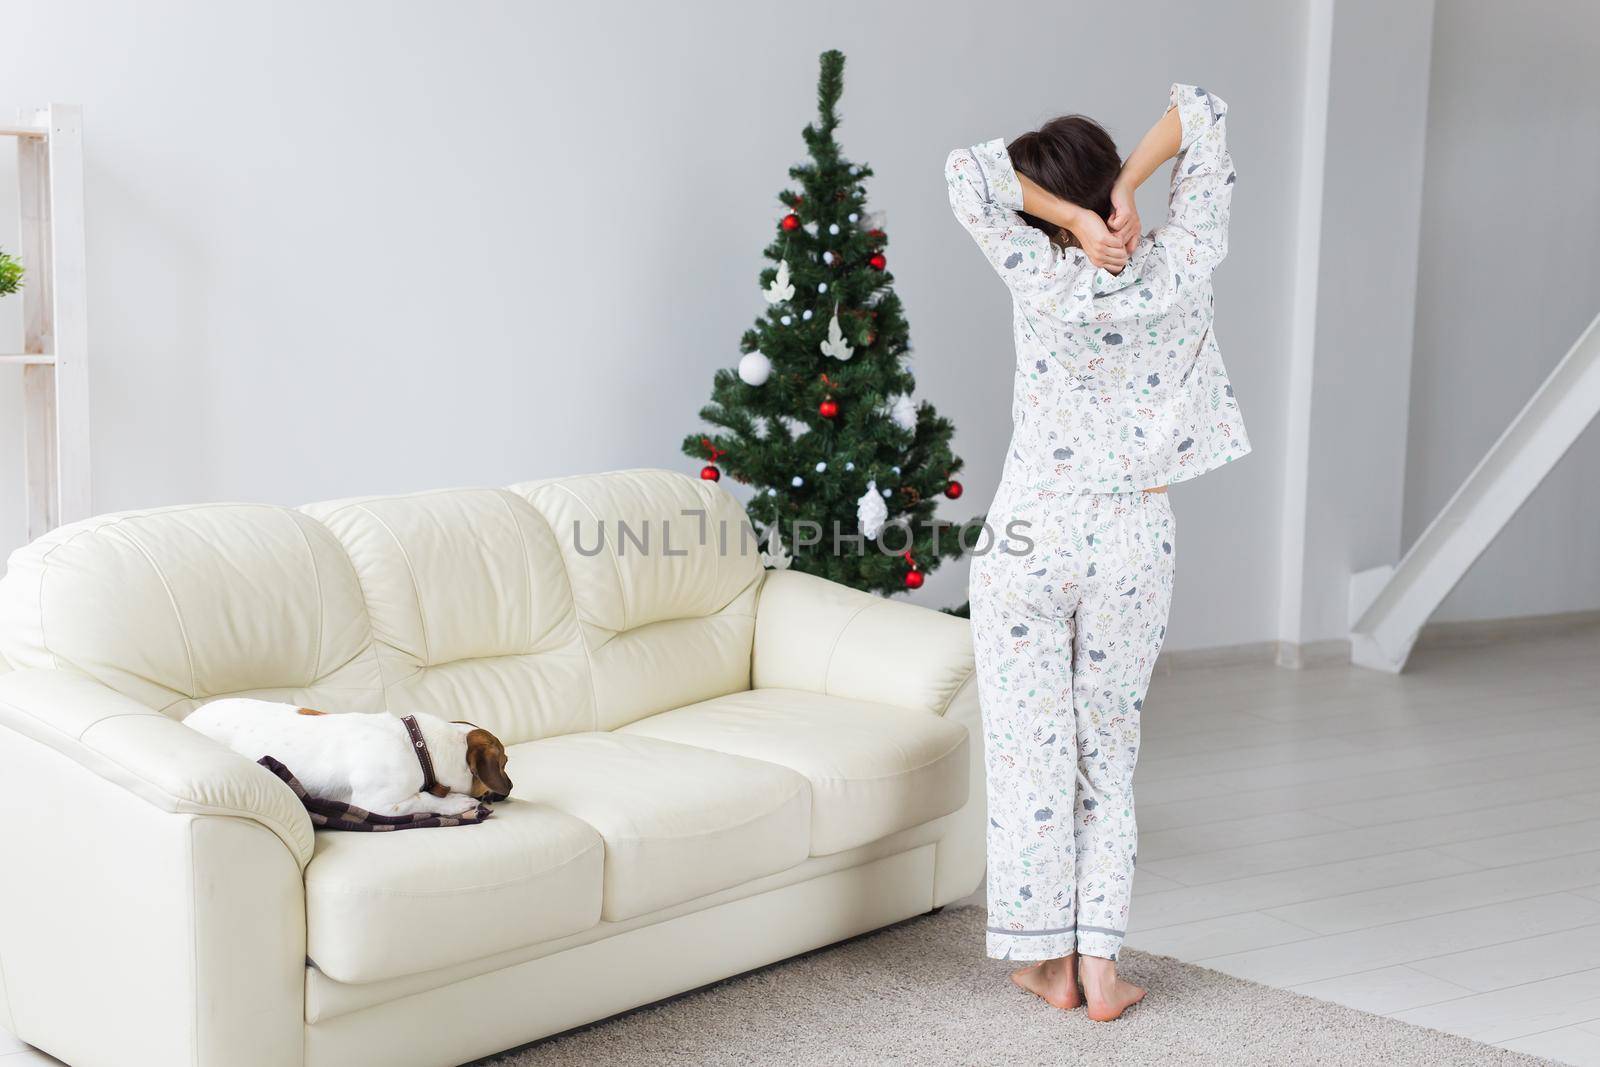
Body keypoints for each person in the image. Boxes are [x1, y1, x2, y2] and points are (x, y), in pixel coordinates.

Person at [945, 84, 1250, 1021]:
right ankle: (1102, 965)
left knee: (1032, 753)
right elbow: (1204, 110)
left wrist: (1071, 219)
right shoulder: (1181, 263)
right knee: (1106, 755)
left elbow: (967, 173)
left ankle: (1047, 965)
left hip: (1033, 530)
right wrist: (1123, 189)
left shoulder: (1042, 275)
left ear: (1045, 199)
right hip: (1132, 534)